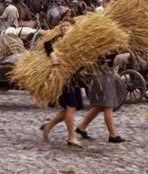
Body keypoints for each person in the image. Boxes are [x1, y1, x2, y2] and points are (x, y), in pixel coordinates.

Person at [40, 17, 85, 147]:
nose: (65, 28)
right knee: (71, 108)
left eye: (67, 26)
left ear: (73, 27)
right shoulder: (58, 39)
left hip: (74, 77)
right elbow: (47, 44)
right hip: (64, 78)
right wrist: (52, 55)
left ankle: (48, 126)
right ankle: (72, 136)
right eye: (63, 26)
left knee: (68, 109)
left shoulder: (78, 40)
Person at [75, 53, 126, 143]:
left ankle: (82, 127)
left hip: (103, 74)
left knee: (99, 106)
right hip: (104, 76)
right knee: (108, 106)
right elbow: (108, 55)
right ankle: (113, 135)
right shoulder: (104, 46)